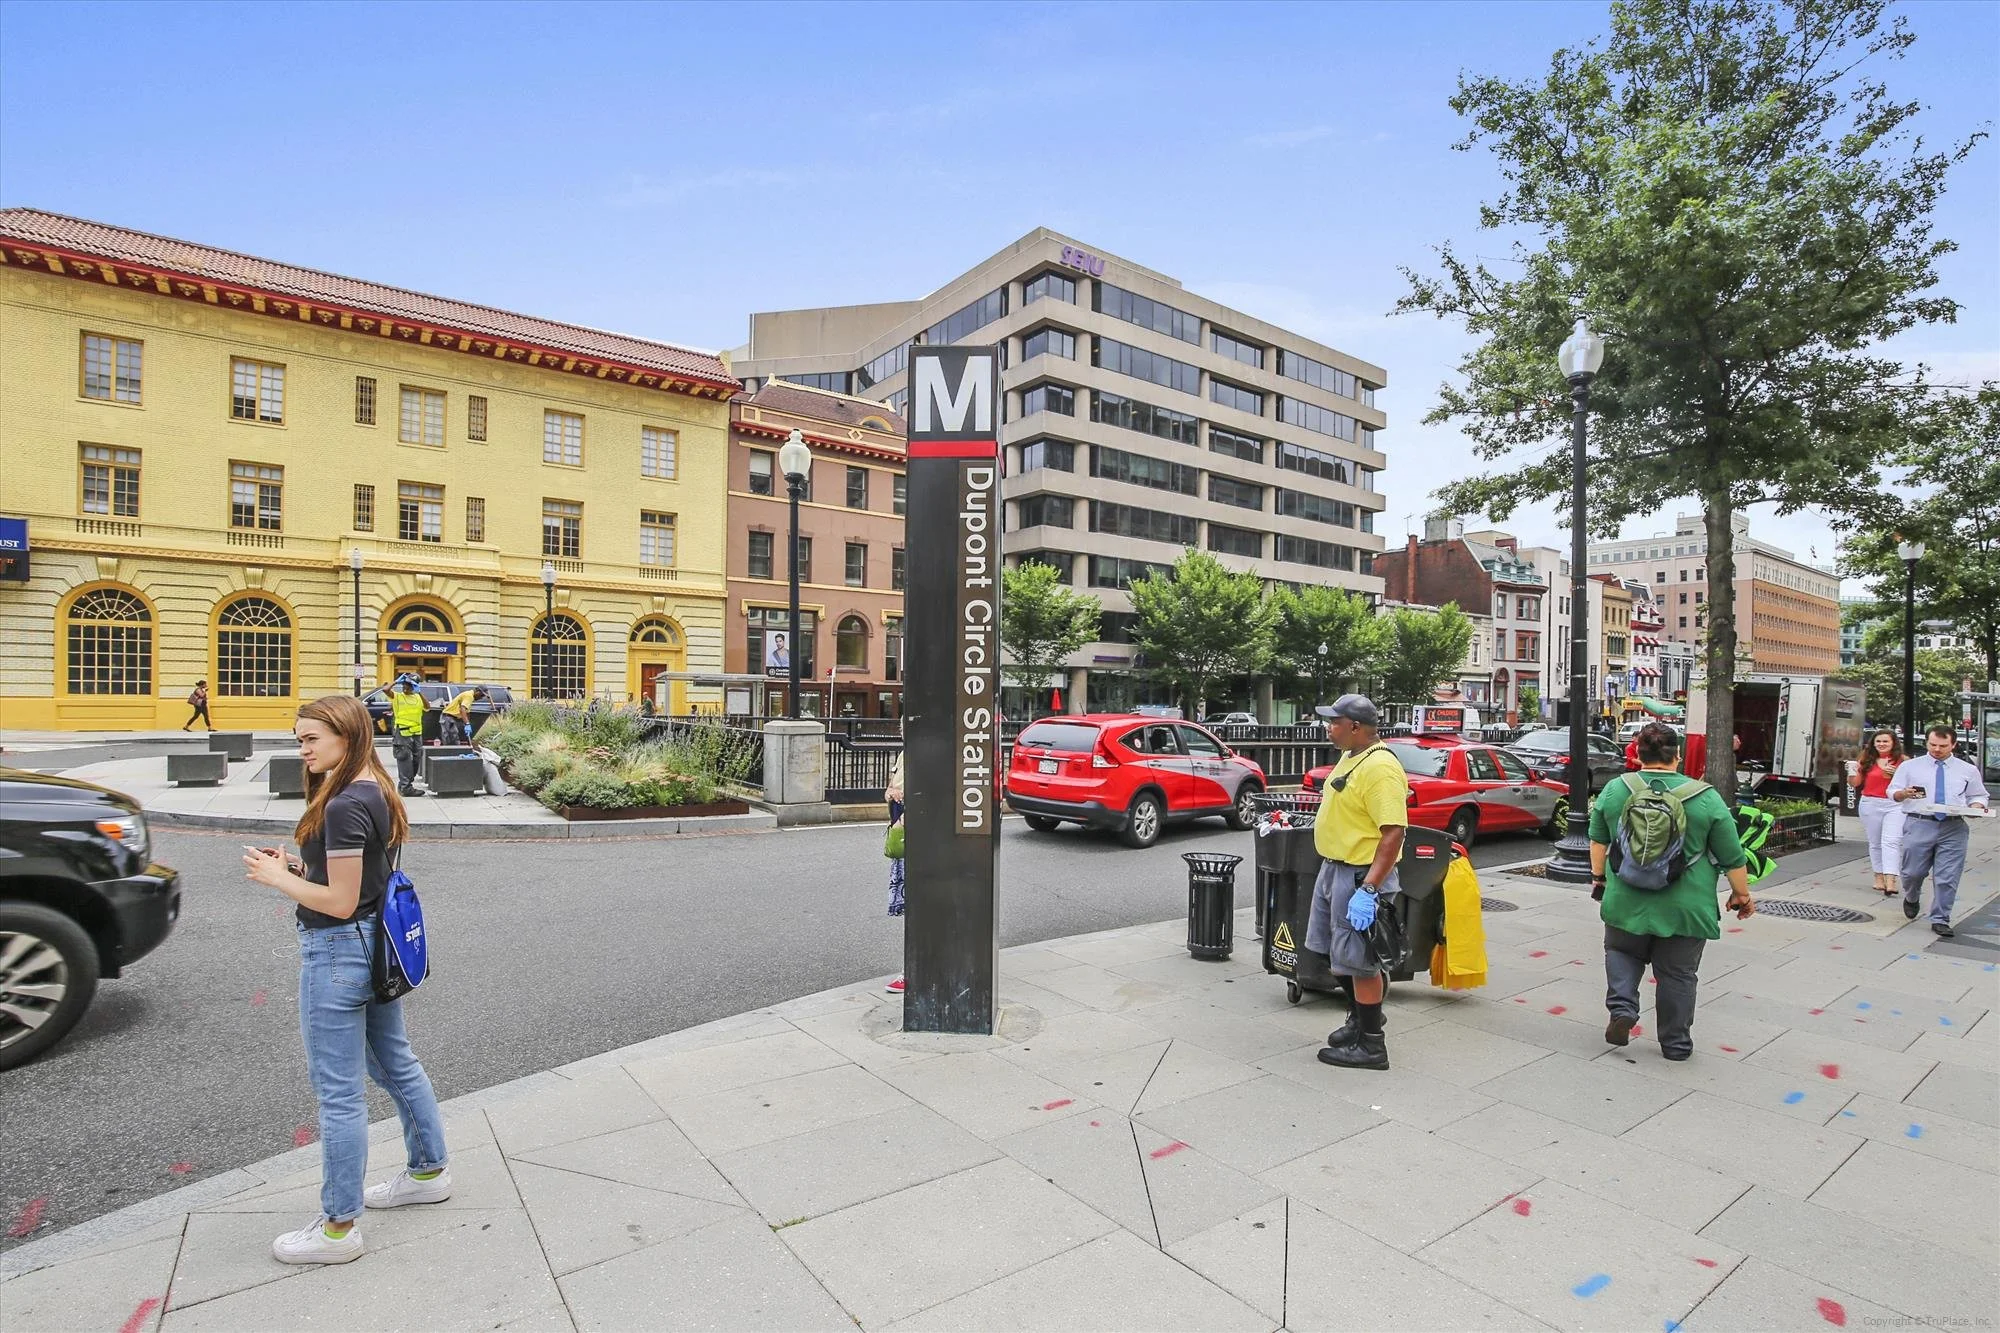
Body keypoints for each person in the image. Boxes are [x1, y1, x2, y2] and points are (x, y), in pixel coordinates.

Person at [241, 695, 449, 1265]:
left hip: (337, 951)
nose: (302, 749)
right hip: (369, 945)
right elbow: (355, 879)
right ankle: (428, 1172)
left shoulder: (342, 804)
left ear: (345, 735)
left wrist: (273, 879)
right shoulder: (374, 787)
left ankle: (338, 1228)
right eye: (299, 738)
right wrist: (299, 869)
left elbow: (338, 901)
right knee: (395, 1062)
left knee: (338, 1092)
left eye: (311, 739)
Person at [1590, 722, 1754, 1060]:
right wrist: (1742, 894)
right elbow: (1732, 855)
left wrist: (1599, 879)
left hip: (1626, 896)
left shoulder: (1616, 790)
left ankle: (1622, 1009)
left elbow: (1598, 839)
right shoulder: (1705, 797)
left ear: (1636, 754)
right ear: (1677, 756)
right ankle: (1676, 1044)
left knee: (1621, 952)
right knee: (1678, 974)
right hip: (1686, 904)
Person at [1309, 694, 1408, 1072]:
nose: (1328, 727)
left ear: (1354, 726)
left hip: (1359, 875)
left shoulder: (1380, 767)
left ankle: (1371, 1046)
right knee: (1336, 957)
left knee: (1361, 962)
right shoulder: (1352, 756)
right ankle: (1361, 1018)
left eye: (1333, 721)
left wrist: (1369, 889)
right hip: (1335, 869)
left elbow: (1394, 832)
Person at [1889, 725, 1991, 938]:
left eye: (1943, 746)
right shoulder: (1910, 767)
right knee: (1912, 872)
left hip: (1953, 827)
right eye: (1933, 744)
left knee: (1947, 876)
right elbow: (1892, 791)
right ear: (1927, 742)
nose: (1937, 749)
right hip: (1919, 822)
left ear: (1953, 745)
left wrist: (1977, 806)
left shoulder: (1967, 769)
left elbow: (1979, 795)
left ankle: (1941, 918)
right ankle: (1912, 896)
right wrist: (1902, 794)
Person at [1850, 729, 1905, 897]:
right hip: (1870, 803)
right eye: (1878, 741)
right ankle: (1878, 876)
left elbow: (1914, 786)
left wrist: (1897, 774)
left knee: (1891, 841)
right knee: (1875, 842)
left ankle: (1891, 880)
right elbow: (1855, 784)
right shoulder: (1866, 759)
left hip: (1895, 804)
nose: (1882, 744)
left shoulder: (1903, 761)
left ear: (1893, 743)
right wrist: (1852, 771)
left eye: (1885, 741)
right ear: (1873, 743)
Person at [883, 747, 906, 995]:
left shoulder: (930, 753)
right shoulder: (904, 754)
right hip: (901, 834)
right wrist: (891, 793)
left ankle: (913, 970)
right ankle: (911, 969)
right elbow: (889, 789)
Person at [389, 676, 428, 797]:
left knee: (416, 760)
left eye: (408, 685)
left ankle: (406, 785)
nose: (405, 687)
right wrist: (395, 681)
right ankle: (406, 787)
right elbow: (385, 689)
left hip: (416, 734)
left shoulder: (418, 697)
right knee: (404, 759)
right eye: (404, 684)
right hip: (402, 733)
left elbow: (427, 706)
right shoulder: (397, 696)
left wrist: (419, 691)